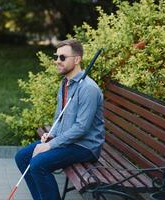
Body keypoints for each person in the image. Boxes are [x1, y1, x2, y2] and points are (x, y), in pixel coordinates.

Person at [15, 39, 105, 200]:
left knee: (38, 165)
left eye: (62, 57)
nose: (57, 61)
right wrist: (51, 134)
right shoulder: (65, 83)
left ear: (77, 59)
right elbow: (60, 116)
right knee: (22, 157)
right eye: (56, 56)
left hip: (85, 146)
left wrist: (50, 145)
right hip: (68, 140)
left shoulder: (88, 89)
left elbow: (81, 128)